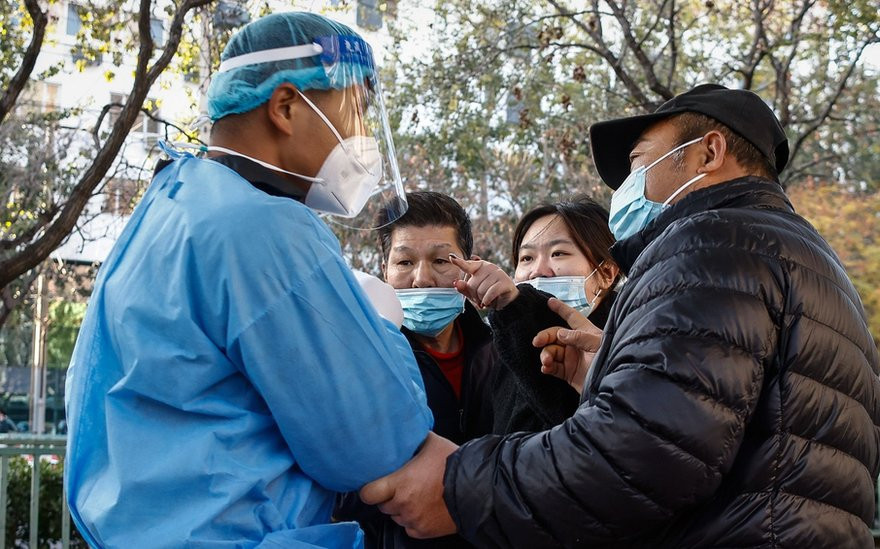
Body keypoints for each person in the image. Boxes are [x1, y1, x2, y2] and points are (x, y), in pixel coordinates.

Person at [361, 84, 880, 548]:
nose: (627, 188)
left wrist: (458, 486)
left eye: (639, 164)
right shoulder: (802, 255)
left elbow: (641, 459)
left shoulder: (710, 248)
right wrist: (606, 382)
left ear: (709, 151)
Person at [65, 13, 436, 548]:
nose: (363, 137)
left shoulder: (171, 205)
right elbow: (375, 442)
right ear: (286, 106)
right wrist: (380, 333)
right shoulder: (264, 226)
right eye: (355, 110)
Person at [334, 191, 493, 549]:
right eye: (405, 263)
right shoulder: (358, 360)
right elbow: (339, 490)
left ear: (470, 265)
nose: (422, 278)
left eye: (441, 260)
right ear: (384, 271)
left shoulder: (505, 354)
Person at [450, 196, 620, 433]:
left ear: (606, 273)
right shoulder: (499, 354)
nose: (537, 271)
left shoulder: (631, 347)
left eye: (558, 253)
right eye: (527, 258)